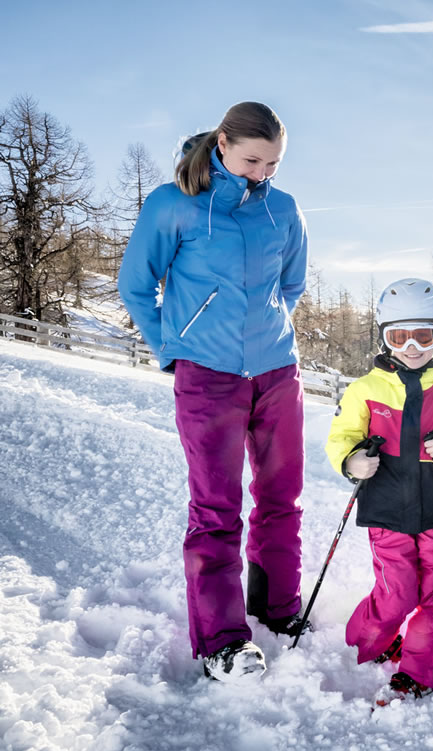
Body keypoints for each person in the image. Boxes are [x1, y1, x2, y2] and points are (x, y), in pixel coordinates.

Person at [117, 101, 309, 681]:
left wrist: (266, 335)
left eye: (273, 164)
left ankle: (277, 610)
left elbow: (292, 282)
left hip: (277, 373)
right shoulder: (173, 203)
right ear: (222, 143)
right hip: (208, 376)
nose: (262, 174)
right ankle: (222, 640)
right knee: (216, 510)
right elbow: (135, 286)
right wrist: (176, 349)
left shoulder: (283, 208)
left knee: (281, 500)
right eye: (253, 160)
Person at [326, 277, 433, 702]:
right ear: (384, 338)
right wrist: (350, 460)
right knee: (396, 591)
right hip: (387, 508)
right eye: (399, 335)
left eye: (424, 335)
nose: (412, 346)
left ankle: (418, 671)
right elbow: (342, 435)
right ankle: (366, 642)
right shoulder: (366, 390)